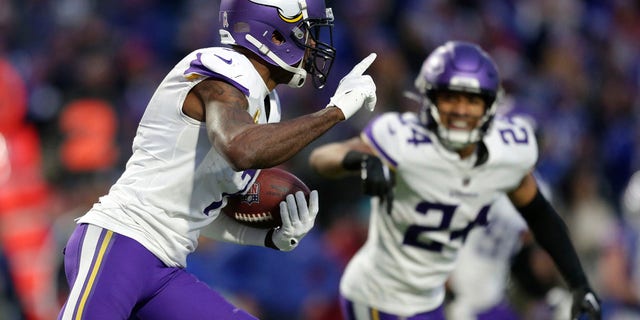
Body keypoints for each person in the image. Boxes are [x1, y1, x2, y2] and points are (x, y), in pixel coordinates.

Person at [57, 0, 377, 319]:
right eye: (305, 31)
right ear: (274, 35)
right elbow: (241, 149)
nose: (311, 44)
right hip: (120, 242)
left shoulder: (268, 106)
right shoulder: (221, 69)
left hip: (164, 264)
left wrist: (267, 237)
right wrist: (335, 112)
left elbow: (203, 211)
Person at [308, 41, 601, 320]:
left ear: (489, 107)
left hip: (432, 299)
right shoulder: (405, 139)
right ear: (431, 97)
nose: (461, 110)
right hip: (380, 292)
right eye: (451, 97)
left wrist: (578, 283)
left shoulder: (508, 153)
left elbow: (540, 215)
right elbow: (323, 157)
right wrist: (361, 160)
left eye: (471, 100)